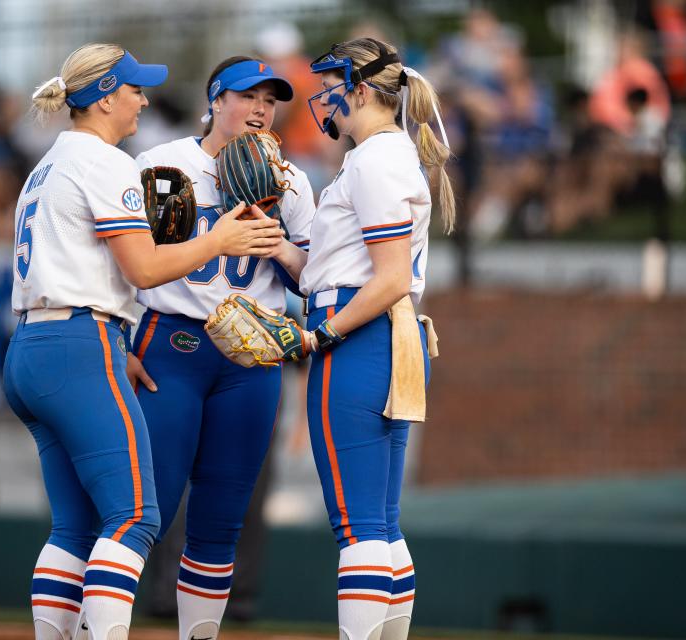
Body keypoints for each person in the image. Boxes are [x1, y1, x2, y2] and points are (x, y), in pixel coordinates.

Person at [1, 43, 283, 640]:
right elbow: (146, 269)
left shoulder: (47, 163)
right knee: (134, 516)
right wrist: (220, 240)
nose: (143, 100)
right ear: (104, 97)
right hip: (80, 343)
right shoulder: (105, 162)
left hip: (32, 346)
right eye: (133, 89)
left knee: (74, 529)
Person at [264, 37, 454, 640]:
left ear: (362, 89)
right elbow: (342, 268)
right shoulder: (385, 155)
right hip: (386, 332)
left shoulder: (374, 157)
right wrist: (280, 249)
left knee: (358, 527)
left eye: (332, 86)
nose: (326, 100)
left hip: (362, 333)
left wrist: (319, 333)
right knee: (383, 524)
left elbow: (388, 276)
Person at [132, 56, 316, 640]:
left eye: (270, 99)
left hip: (250, 358)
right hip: (175, 343)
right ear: (215, 100)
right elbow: (140, 267)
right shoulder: (166, 165)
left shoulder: (289, 179)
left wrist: (281, 246)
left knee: (222, 518)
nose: (261, 109)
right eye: (247, 96)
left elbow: (312, 277)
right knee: (143, 511)